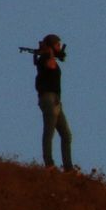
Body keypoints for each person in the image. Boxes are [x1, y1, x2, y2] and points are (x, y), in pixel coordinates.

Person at [34, 34, 74, 172]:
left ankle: (68, 167)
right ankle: (49, 164)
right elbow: (50, 66)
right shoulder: (45, 58)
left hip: (56, 100)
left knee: (66, 135)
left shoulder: (49, 58)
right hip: (49, 98)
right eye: (57, 45)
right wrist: (50, 53)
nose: (59, 48)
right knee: (49, 132)